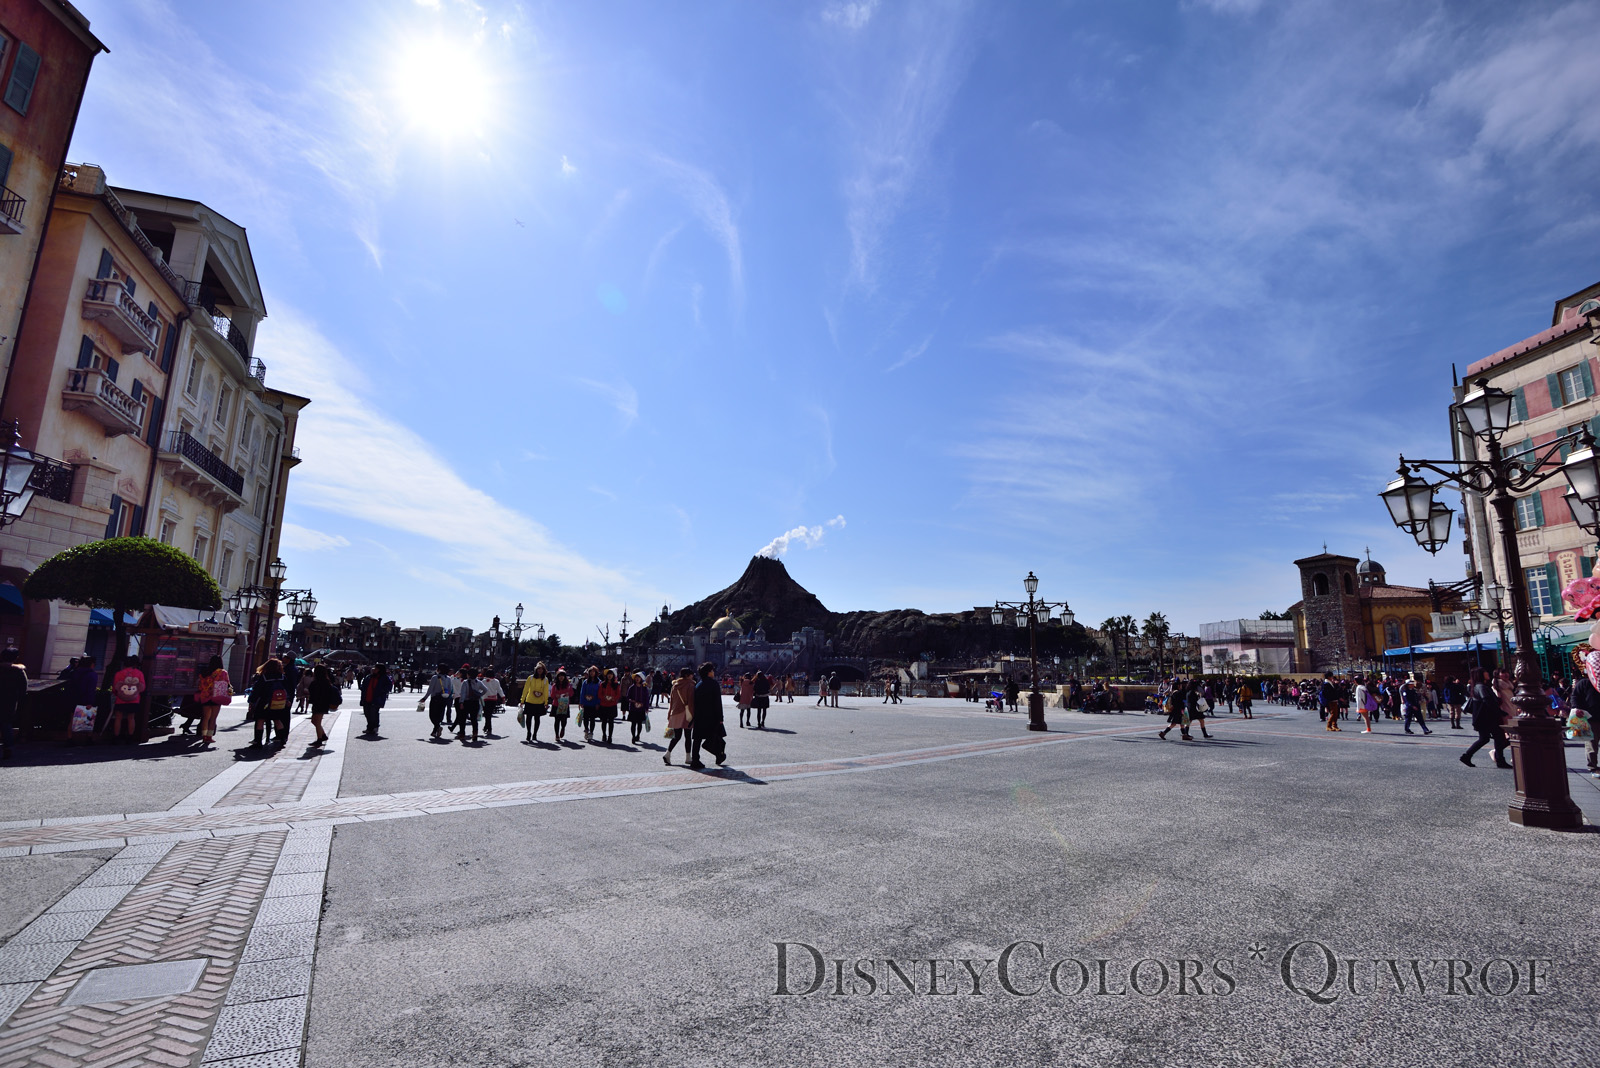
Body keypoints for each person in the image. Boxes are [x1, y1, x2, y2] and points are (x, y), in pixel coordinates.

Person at [1461, 667, 1512, 768]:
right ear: (1480, 674)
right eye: (1485, 672)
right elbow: (1487, 700)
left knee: (1487, 738)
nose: (1487, 673)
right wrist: (1500, 711)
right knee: (1495, 738)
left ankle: (1467, 756)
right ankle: (1500, 761)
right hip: (1487, 718)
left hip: (1485, 718)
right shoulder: (1481, 687)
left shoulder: (1481, 686)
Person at [689, 661, 726, 768]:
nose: (713, 672)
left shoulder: (698, 685)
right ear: (709, 672)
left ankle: (695, 760)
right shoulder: (714, 684)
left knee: (697, 738)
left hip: (699, 715)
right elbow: (717, 702)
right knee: (716, 736)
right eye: (712, 670)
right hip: (712, 716)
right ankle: (719, 755)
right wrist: (720, 717)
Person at [249, 660, 291, 748]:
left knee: (260, 720)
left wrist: (252, 701)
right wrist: (287, 700)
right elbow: (287, 689)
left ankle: (258, 742)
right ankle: (282, 739)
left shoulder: (264, 677)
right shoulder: (282, 677)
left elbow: (257, 691)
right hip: (278, 702)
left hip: (265, 702)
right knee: (277, 720)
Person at [194, 655, 230, 748]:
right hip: (216, 696)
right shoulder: (222, 672)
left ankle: (204, 735)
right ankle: (209, 736)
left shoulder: (204, 672)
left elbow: (200, 685)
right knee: (213, 718)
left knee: (205, 717)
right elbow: (227, 683)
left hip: (205, 696)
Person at [110, 655, 146, 741]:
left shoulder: (119, 674)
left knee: (118, 718)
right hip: (134, 699)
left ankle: (116, 737)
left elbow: (115, 688)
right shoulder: (139, 673)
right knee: (131, 718)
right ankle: (130, 737)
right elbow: (142, 687)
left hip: (120, 699)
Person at [0, 647, 27, 760]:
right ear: (15, 658)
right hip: (9, 701)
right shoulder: (19, 671)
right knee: (6, 724)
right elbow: (23, 688)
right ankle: (8, 748)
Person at [664, 667, 695, 765]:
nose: (692, 676)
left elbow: (671, 701)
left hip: (675, 712)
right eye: (691, 674)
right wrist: (693, 713)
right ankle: (688, 757)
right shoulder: (690, 685)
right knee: (688, 736)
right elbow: (691, 701)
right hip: (686, 713)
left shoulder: (675, 685)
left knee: (676, 736)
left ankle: (667, 753)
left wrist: (670, 714)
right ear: (687, 675)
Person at [307, 664, 339, 746]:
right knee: (314, 721)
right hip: (323, 703)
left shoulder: (316, 682)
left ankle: (319, 739)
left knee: (316, 722)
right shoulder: (326, 682)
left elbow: (312, 692)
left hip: (319, 704)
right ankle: (323, 735)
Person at [520, 662, 551, 742]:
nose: (540, 670)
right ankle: (528, 732)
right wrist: (522, 700)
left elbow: (545, 691)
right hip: (530, 700)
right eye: (538, 669)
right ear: (536, 670)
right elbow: (525, 689)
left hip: (539, 702)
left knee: (537, 719)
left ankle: (535, 734)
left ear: (543, 670)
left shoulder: (545, 680)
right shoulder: (530, 678)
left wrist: (546, 702)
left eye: (541, 669)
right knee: (528, 718)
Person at [360, 663, 392, 738]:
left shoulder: (384, 678)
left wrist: (381, 691)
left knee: (374, 713)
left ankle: (374, 727)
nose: (373, 669)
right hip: (367, 698)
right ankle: (369, 727)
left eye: (376, 668)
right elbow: (363, 685)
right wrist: (363, 688)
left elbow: (389, 686)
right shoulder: (368, 677)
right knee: (367, 713)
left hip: (376, 699)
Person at [422, 664, 452, 739]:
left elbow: (430, 689)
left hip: (435, 698)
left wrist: (425, 698)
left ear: (439, 669)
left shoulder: (435, 677)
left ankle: (437, 728)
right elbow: (450, 689)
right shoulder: (448, 678)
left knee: (432, 715)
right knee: (439, 715)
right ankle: (436, 730)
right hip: (444, 698)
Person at [456, 666, 484, 742]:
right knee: (474, 719)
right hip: (475, 702)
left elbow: (463, 693)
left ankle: (462, 734)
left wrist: (461, 702)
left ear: (468, 675)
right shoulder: (479, 682)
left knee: (463, 719)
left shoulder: (465, 682)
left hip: (466, 702)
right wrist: (479, 694)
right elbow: (485, 690)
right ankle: (475, 734)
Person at [597, 668, 622, 745]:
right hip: (604, 705)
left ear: (613, 675)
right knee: (604, 721)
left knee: (611, 721)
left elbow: (618, 694)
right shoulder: (602, 684)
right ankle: (604, 734)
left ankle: (610, 736)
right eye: (608, 674)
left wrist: (613, 698)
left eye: (611, 674)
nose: (609, 675)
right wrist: (604, 697)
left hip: (612, 705)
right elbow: (599, 694)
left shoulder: (616, 684)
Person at [578, 666, 602, 742]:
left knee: (592, 719)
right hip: (586, 702)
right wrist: (581, 702)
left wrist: (598, 703)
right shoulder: (585, 682)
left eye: (593, 672)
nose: (592, 673)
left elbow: (600, 693)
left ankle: (591, 732)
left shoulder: (599, 682)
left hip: (594, 703)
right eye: (590, 672)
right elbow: (582, 692)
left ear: (596, 673)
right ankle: (586, 730)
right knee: (585, 718)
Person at [550, 668, 574, 743]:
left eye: (562, 676)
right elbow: (552, 695)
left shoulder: (568, 685)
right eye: (560, 676)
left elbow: (572, 693)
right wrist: (555, 696)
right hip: (556, 704)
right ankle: (556, 734)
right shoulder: (554, 685)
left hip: (564, 705)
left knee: (564, 719)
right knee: (557, 720)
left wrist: (568, 694)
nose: (561, 677)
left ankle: (563, 728)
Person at [626, 672, 650, 745]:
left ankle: (638, 735)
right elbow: (628, 697)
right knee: (633, 723)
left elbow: (647, 698)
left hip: (641, 708)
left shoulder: (644, 688)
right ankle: (633, 736)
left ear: (641, 679)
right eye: (636, 677)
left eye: (638, 677)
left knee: (639, 723)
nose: (637, 679)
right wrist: (631, 701)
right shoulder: (632, 687)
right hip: (633, 708)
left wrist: (646, 707)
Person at [480, 669, 505, 736]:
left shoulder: (483, 681)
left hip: (485, 699)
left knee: (486, 714)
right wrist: (503, 697)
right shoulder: (496, 681)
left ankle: (488, 728)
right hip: (493, 699)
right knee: (489, 714)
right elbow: (500, 690)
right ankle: (487, 727)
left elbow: (480, 690)